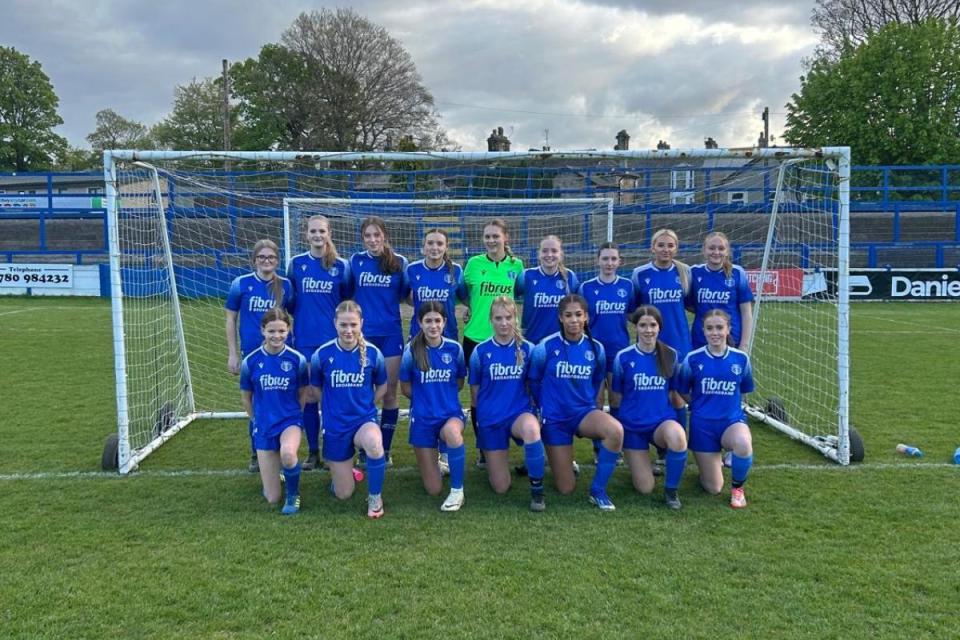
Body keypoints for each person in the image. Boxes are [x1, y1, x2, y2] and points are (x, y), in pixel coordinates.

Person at [528, 294, 624, 511]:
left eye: (578, 315)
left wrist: (593, 405)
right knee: (566, 488)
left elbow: (598, 379)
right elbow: (533, 379)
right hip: (555, 419)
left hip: (583, 413)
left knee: (615, 431)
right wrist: (543, 408)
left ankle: (598, 491)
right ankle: (560, 459)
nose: (573, 320)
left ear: (586, 317)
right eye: (568, 315)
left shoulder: (595, 348)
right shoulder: (545, 347)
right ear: (561, 318)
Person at [310, 301, 389, 519]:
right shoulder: (322, 355)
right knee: (343, 494)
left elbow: (383, 385)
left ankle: (375, 498)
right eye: (343, 325)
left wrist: (368, 403)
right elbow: (315, 388)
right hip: (336, 425)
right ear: (334, 323)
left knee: (374, 444)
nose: (348, 330)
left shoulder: (373, 353)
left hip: (363, 420)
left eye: (353, 324)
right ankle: (345, 474)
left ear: (361, 323)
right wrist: (331, 406)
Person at [468, 296, 547, 512]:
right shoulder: (480, 352)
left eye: (508, 318)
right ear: (491, 320)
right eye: (498, 318)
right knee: (501, 487)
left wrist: (538, 413)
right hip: (492, 420)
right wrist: (484, 423)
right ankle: (492, 455)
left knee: (531, 428)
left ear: (515, 318)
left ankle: (537, 491)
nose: (504, 323)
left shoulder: (529, 349)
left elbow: (534, 384)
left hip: (518, 415)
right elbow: (475, 393)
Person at [287, 215, 352, 471]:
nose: (317, 235)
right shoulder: (296, 264)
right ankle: (313, 452)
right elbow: (290, 301)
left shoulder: (341, 266)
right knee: (311, 397)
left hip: (334, 344)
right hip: (304, 341)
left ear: (329, 233)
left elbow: (346, 302)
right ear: (306, 235)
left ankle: (337, 449)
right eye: (313, 231)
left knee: (334, 397)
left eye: (321, 231)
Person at [225, 239, 294, 473]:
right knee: (255, 402)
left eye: (271, 257)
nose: (267, 261)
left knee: (282, 400)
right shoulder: (240, 284)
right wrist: (233, 353)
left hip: (282, 354)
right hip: (253, 355)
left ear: (277, 260)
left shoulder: (286, 286)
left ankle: (285, 448)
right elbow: (230, 319)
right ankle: (257, 452)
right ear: (254, 260)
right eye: (262, 257)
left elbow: (293, 315)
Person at [462, 218, 524, 468]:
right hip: (475, 338)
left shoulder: (517, 266)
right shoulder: (473, 265)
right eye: (487, 236)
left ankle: (507, 440)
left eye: (495, 236)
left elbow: (520, 294)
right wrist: (471, 309)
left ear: (505, 237)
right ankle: (484, 448)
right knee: (478, 395)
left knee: (506, 389)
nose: (491, 240)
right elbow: (462, 292)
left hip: (507, 340)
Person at [612, 306, 688, 510]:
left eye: (652, 325)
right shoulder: (623, 357)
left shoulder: (671, 355)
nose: (648, 330)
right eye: (643, 325)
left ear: (659, 327)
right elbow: (617, 397)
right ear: (635, 327)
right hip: (633, 427)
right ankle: (638, 461)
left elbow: (675, 394)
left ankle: (671, 491)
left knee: (678, 436)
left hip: (660, 424)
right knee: (645, 488)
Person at [677, 309, 755, 508]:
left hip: (730, 422)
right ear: (703, 331)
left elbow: (744, 389)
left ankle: (738, 489)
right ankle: (710, 465)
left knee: (744, 443)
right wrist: (696, 404)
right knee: (713, 488)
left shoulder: (741, 359)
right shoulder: (692, 359)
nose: (715, 333)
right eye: (710, 328)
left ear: (728, 329)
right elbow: (682, 389)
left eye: (719, 327)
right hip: (702, 426)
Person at [631, 228, 692, 471]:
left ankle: (675, 450)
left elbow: (691, 304)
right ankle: (656, 448)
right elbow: (634, 311)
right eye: (661, 245)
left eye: (670, 245)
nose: (666, 249)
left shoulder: (685, 272)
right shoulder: (640, 274)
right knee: (656, 394)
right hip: (650, 346)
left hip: (679, 344)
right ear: (652, 247)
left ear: (676, 248)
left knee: (678, 397)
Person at [350, 216, 408, 467]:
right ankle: (365, 445)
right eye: (367, 236)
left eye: (377, 235)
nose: (372, 240)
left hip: (391, 335)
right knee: (363, 391)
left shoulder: (399, 263)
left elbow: (408, 296)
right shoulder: (355, 262)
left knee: (390, 393)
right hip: (362, 336)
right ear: (362, 238)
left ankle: (385, 446)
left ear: (384, 235)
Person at [399, 302, 469, 511]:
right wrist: (426, 400)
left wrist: (441, 398)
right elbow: (405, 388)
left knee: (453, 434)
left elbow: (459, 383)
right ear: (420, 323)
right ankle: (436, 459)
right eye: (428, 321)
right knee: (433, 489)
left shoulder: (454, 348)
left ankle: (458, 492)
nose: (433, 325)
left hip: (449, 415)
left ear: (445, 322)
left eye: (437, 320)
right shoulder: (411, 351)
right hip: (422, 419)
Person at [239, 308, 308, 515]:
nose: (277, 336)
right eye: (271, 331)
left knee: (288, 454)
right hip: (264, 425)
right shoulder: (250, 362)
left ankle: (294, 495)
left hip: (289, 421)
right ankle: (276, 476)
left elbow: (302, 394)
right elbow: (246, 398)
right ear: (262, 330)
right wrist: (256, 420)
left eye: (281, 331)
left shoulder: (297, 360)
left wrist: (295, 417)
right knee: (271, 498)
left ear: (289, 330)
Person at [578, 242, 636, 462]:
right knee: (596, 398)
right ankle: (598, 447)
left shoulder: (628, 286)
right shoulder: (586, 287)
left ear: (620, 261)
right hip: (593, 352)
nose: (609, 263)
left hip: (619, 352)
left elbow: (632, 315)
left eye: (613, 259)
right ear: (598, 260)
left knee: (617, 398)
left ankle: (616, 445)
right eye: (605, 258)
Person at [688, 231, 754, 350]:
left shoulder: (737, 273)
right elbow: (688, 304)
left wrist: (744, 344)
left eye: (721, 248)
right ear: (704, 250)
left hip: (732, 338)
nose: (716, 252)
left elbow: (746, 313)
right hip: (701, 339)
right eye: (712, 248)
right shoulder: (693, 273)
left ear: (727, 251)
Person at [515, 235, 579, 345]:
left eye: (554, 251)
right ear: (539, 254)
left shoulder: (570, 277)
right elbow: (512, 299)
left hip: (561, 343)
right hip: (531, 342)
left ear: (561, 255)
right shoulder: (526, 276)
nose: (549, 255)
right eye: (545, 251)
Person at [406, 228, 467, 341]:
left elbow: (465, 299)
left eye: (439, 243)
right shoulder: (412, 269)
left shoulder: (456, 270)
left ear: (446, 247)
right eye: (430, 243)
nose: (435, 248)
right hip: (418, 333)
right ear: (424, 246)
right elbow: (404, 297)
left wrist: (470, 310)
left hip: (448, 333)